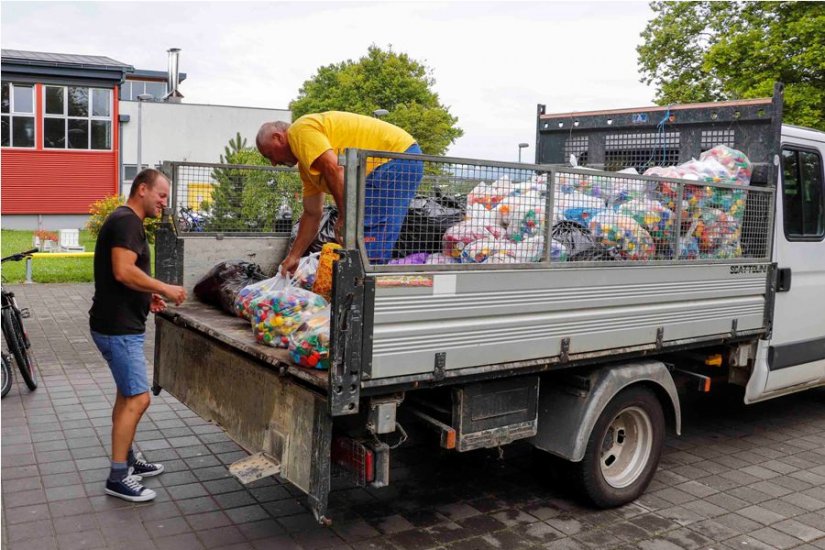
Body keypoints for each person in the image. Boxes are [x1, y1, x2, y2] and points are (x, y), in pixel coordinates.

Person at [89, 168, 187, 502]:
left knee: (126, 394)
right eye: (161, 195)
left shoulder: (126, 220)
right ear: (142, 189)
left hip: (116, 324)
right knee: (139, 398)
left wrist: (148, 297)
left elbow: (126, 277)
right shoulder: (127, 222)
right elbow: (123, 270)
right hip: (117, 330)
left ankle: (127, 458)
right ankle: (118, 476)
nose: (164, 202)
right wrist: (165, 287)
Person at [256, 111, 424, 271]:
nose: (273, 163)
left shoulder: (299, 130)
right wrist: (294, 256)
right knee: (361, 241)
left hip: (395, 157)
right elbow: (312, 214)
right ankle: (363, 288)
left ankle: (367, 293)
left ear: (278, 137)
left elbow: (334, 168)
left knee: (367, 238)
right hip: (394, 161)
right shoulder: (308, 164)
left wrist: (345, 217)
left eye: (270, 154)